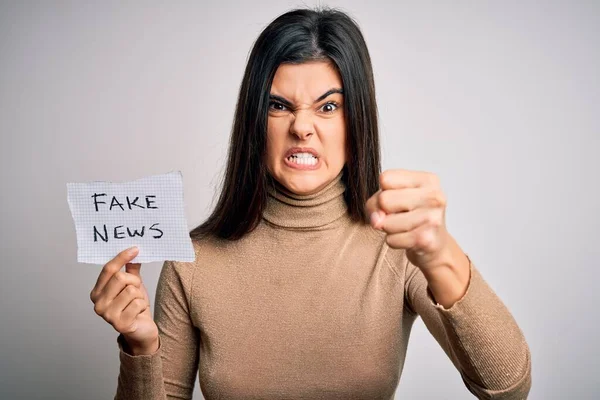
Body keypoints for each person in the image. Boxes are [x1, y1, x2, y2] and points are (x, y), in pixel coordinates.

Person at [90, 7, 532, 400]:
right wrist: (141, 347)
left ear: (356, 120)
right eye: (279, 105)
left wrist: (441, 255)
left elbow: (508, 389)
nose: (302, 127)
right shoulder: (193, 262)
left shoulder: (398, 247)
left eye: (328, 107)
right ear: (254, 121)